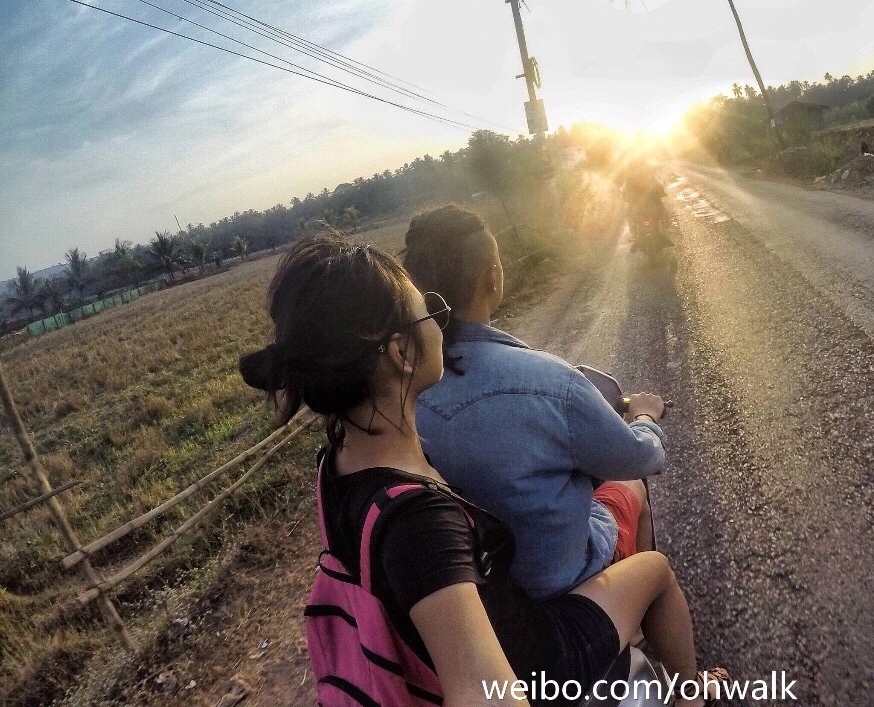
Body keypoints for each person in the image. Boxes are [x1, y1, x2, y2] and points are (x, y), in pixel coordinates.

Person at [239, 235, 722, 706]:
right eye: (428, 309)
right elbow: (483, 692)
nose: (441, 319)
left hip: (423, 655)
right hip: (540, 661)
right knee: (656, 570)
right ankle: (691, 697)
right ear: (401, 353)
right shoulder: (418, 520)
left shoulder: (338, 465)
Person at [404, 205, 665, 600]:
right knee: (633, 483)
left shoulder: (403, 396)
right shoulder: (551, 382)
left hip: (478, 594)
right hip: (562, 580)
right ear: (493, 279)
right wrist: (645, 417)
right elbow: (641, 457)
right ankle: (636, 612)